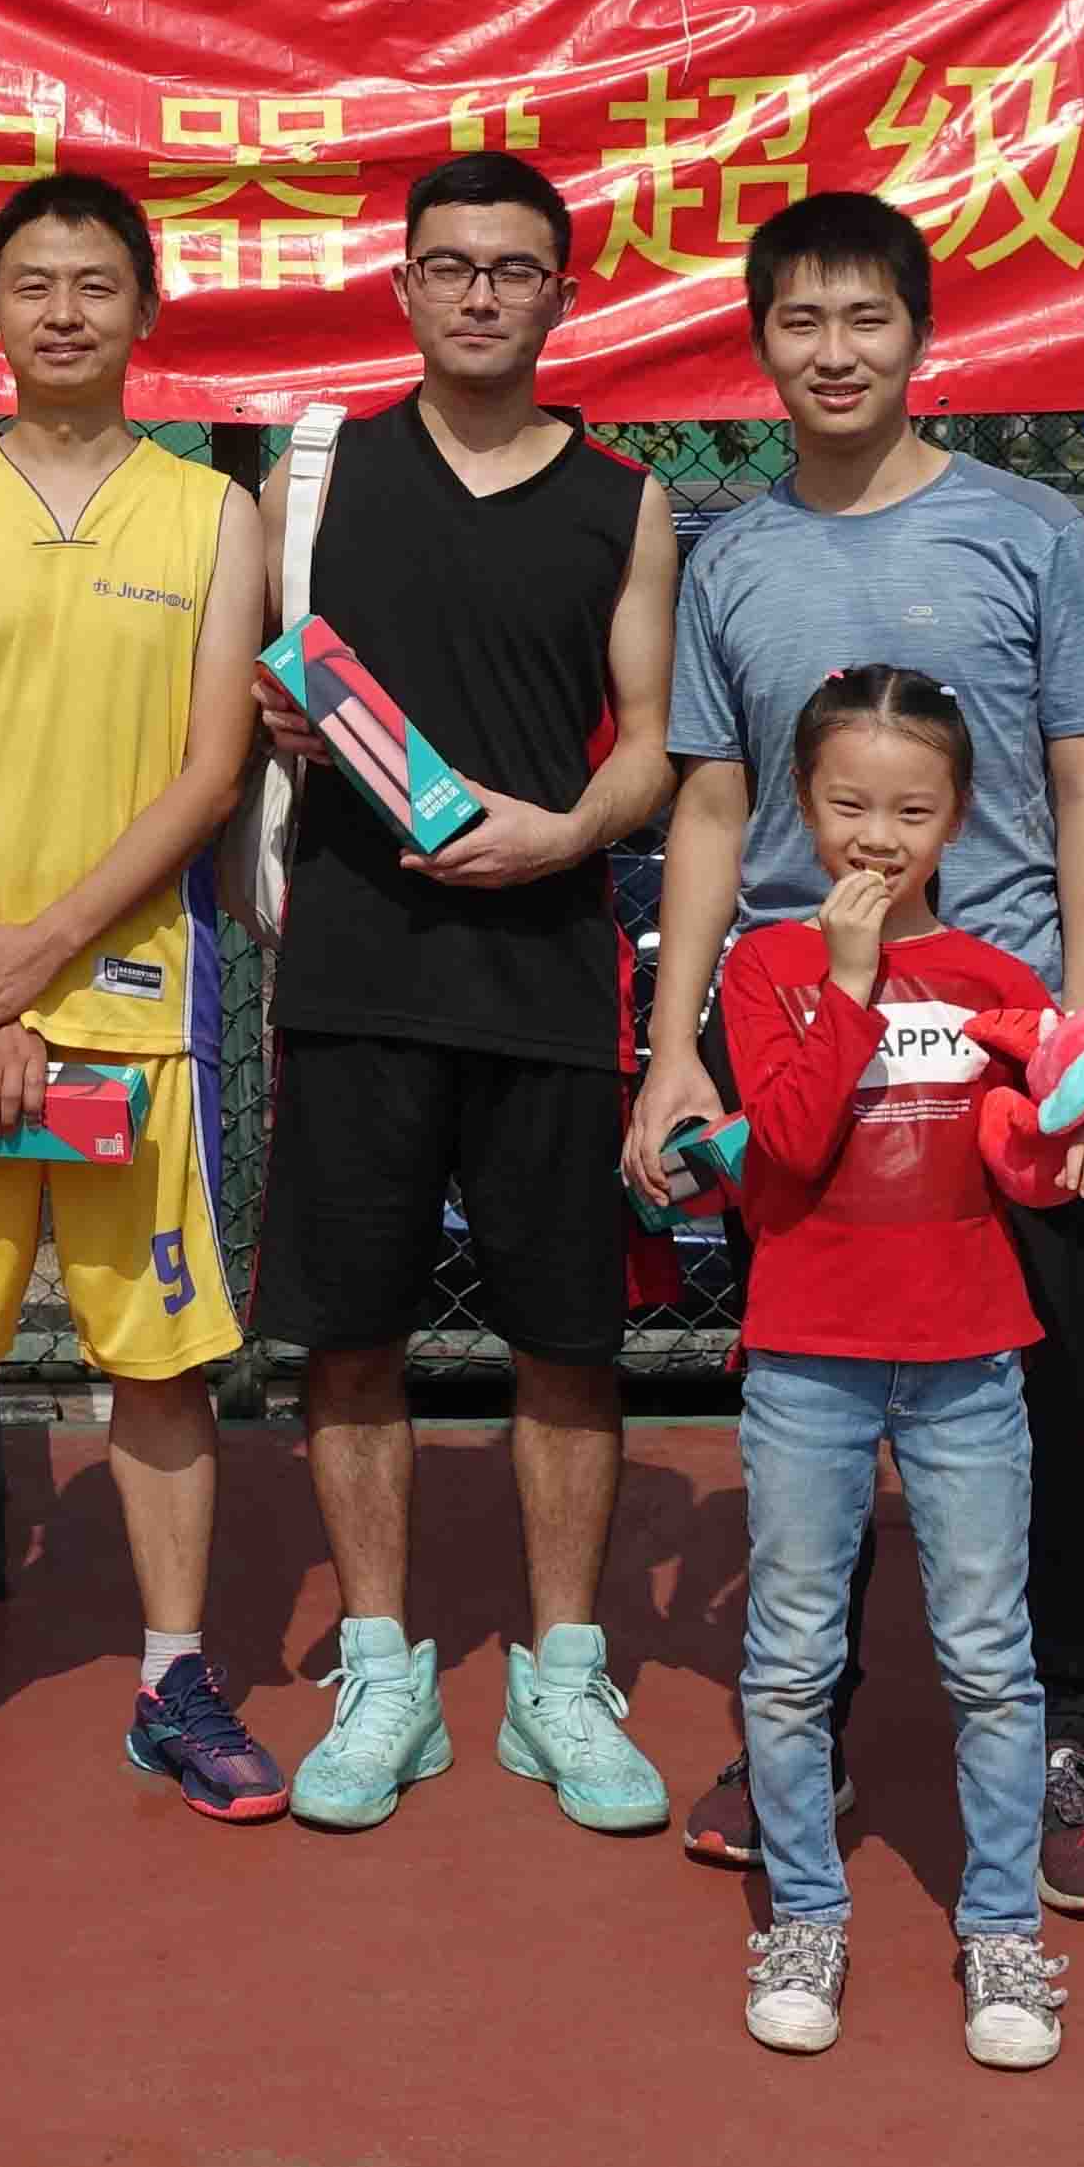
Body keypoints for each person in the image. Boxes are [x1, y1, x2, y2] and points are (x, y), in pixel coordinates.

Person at [629, 189, 1084, 1909]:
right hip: (802, 1040)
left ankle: (1060, 1740)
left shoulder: (1031, 533)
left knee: (1036, 1406)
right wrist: (677, 1045)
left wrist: (1081, 1040)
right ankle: (810, 1729)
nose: (834, 352)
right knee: (813, 1407)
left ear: (921, 335)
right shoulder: (731, 558)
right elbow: (711, 807)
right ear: (759, 343)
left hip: (995, 1054)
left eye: (866, 318)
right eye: (800, 321)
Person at [0, 173, 280, 1829]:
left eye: (96, 281)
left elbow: (211, 771)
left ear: (146, 309)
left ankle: (174, 1676)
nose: (66, 309)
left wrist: (42, 953)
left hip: (142, 1005)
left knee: (157, 1366)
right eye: (35, 282)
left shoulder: (214, 514)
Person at [255, 146, 683, 1837]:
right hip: (355, 971)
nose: (480, 293)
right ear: (405, 286)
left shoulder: (625, 500)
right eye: (450, 265)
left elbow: (649, 747)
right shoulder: (316, 479)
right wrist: (273, 716)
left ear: (562, 293)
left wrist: (565, 829)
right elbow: (251, 688)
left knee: (567, 1342)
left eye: (513, 268)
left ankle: (561, 1675)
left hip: (548, 974)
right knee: (351, 1336)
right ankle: (384, 1670)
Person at [708, 665, 1084, 2070]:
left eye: (913, 811)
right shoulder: (764, 967)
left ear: (961, 816)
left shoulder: (1001, 981)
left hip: (968, 1358)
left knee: (992, 1660)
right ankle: (807, 1915)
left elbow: (1031, 1154)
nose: (877, 837)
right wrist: (848, 982)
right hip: (807, 1361)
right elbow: (789, 1142)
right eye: (849, 805)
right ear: (801, 803)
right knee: (791, 1657)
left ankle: (1001, 1928)